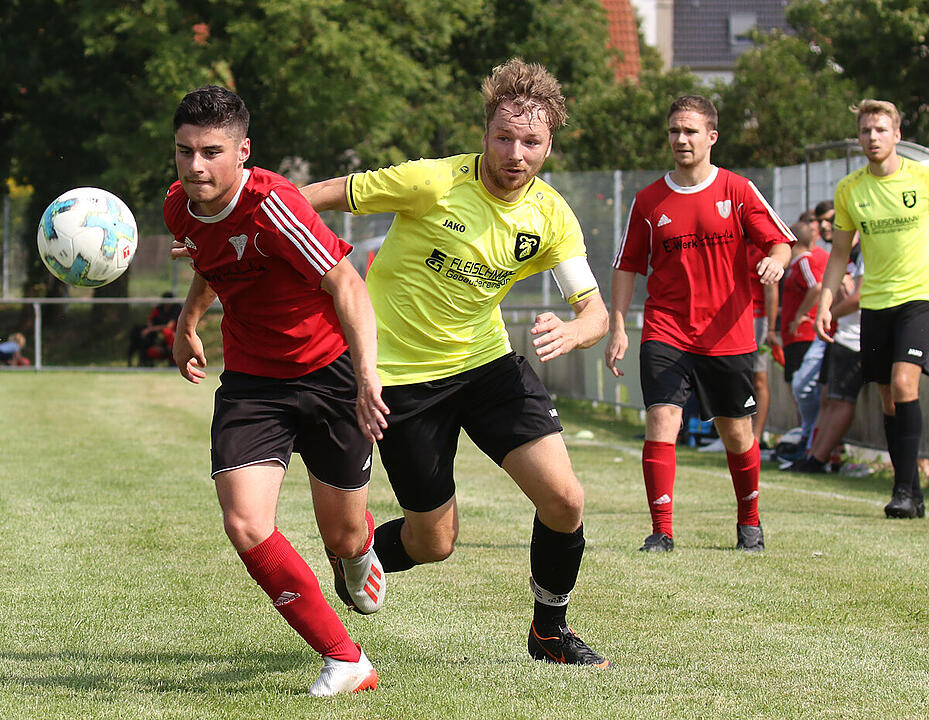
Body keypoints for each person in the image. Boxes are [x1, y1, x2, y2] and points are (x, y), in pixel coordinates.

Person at [301, 58, 611, 667]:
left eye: (531, 142)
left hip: (489, 367)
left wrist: (576, 332)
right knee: (434, 543)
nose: (516, 153)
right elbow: (314, 197)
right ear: (484, 133)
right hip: (404, 382)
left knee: (565, 500)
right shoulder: (431, 182)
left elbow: (596, 311)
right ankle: (355, 550)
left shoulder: (551, 215)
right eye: (504, 137)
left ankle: (549, 631)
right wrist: (234, 218)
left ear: (549, 144)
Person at [164, 86, 389, 696]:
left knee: (341, 535)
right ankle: (346, 659)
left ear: (243, 152)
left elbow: (347, 284)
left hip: (328, 374)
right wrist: (187, 324)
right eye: (184, 151)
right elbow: (213, 264)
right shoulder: (179, 207)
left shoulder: (274, 206)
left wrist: (367, 374)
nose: (195, 167)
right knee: (245, 522)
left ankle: (358, 546)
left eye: (211, 152)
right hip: (253, 382)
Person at [605, 95, 793, 553]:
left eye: (690, 131)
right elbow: (627, 265)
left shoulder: (738, 189)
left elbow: (781, 242)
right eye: (674, 130)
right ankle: (661, 531)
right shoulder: (649, 201)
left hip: (728, 334)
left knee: (737, 432)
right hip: (667, 329)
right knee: (661, 418)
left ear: (712, 137)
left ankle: (749, 521)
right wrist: (618, 326)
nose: (681, 139)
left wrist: (776, 261)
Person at [815, 99, 929, 519]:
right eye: (866, 131)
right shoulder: (850, 189)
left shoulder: (922, 178)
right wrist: (825, 302)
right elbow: (839, 254)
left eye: (880, 129)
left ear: (897, 134)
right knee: (887, 396)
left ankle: (902, 489)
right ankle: (911, 493)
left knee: (903, 383)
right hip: (875, 304)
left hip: (918, 298)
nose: (873, 137)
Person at [785, 247, 864, 473]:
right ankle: (813, 454)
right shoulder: (847, 255)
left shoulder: (865, 252)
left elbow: (857, 298)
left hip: (855, 339)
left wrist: (826, 314)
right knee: (827, 400)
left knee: (840, 401)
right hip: (841, 336)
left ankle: (821, 458)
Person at [779, 222, 830, 459]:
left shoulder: (804, 262)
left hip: (804, 334)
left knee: (804, 388)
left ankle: (808, 440)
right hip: (794, 337)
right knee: (797, 389)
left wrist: (800, 314)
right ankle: (804, 438)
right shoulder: (796, 265)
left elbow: (816, 287)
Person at [128, 292, 181, 366]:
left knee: (167, 332)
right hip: (159, 337)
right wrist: (150, 328)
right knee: (140, 334)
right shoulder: (159, 308)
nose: (167, 304)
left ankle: (173, 360)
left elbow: (169, 326)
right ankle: (143, 361)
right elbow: (150, 320)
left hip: (174, 337)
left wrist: (151, 329)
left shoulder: (176, 309)